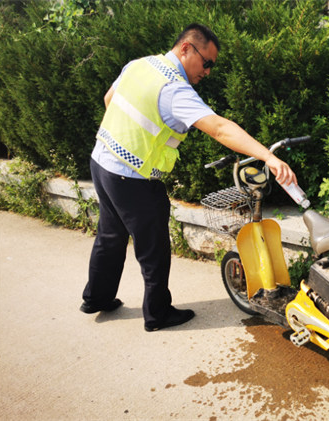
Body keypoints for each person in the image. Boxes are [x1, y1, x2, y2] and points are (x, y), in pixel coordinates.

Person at [80, 23, 297, 332]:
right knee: (153, 248)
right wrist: (269, 156)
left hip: (102, 162)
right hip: (135, 178)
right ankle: (158, 314)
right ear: (185, 49)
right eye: (206, 63)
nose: (207, 72)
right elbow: (220, 128)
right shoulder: (173, 88)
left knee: (110, 235)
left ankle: (96, 299)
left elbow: (109, 98)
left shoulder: (139, 65)